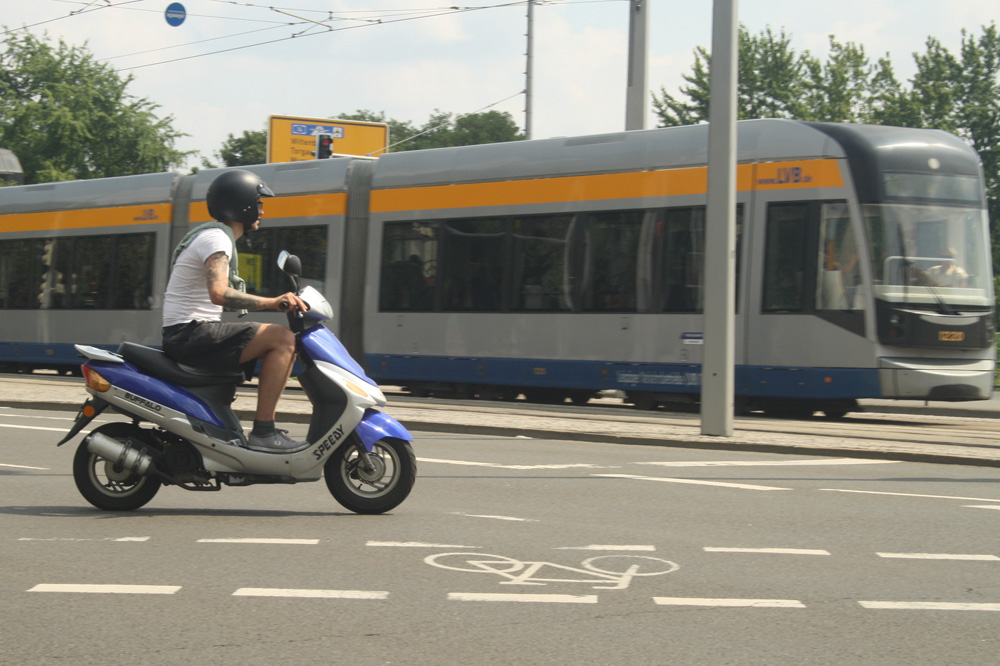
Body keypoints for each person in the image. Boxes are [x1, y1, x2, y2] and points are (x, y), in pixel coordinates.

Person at [161, 169, 308, 452]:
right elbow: (219, 293)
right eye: (258, 203)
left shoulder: (216, 236)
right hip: (189, 333)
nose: (262, 211)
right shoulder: (217, 239)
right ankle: (264, 432)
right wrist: (273, 302)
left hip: (189, 332)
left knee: (274, 339)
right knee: (283, 339)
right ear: (243, 205)